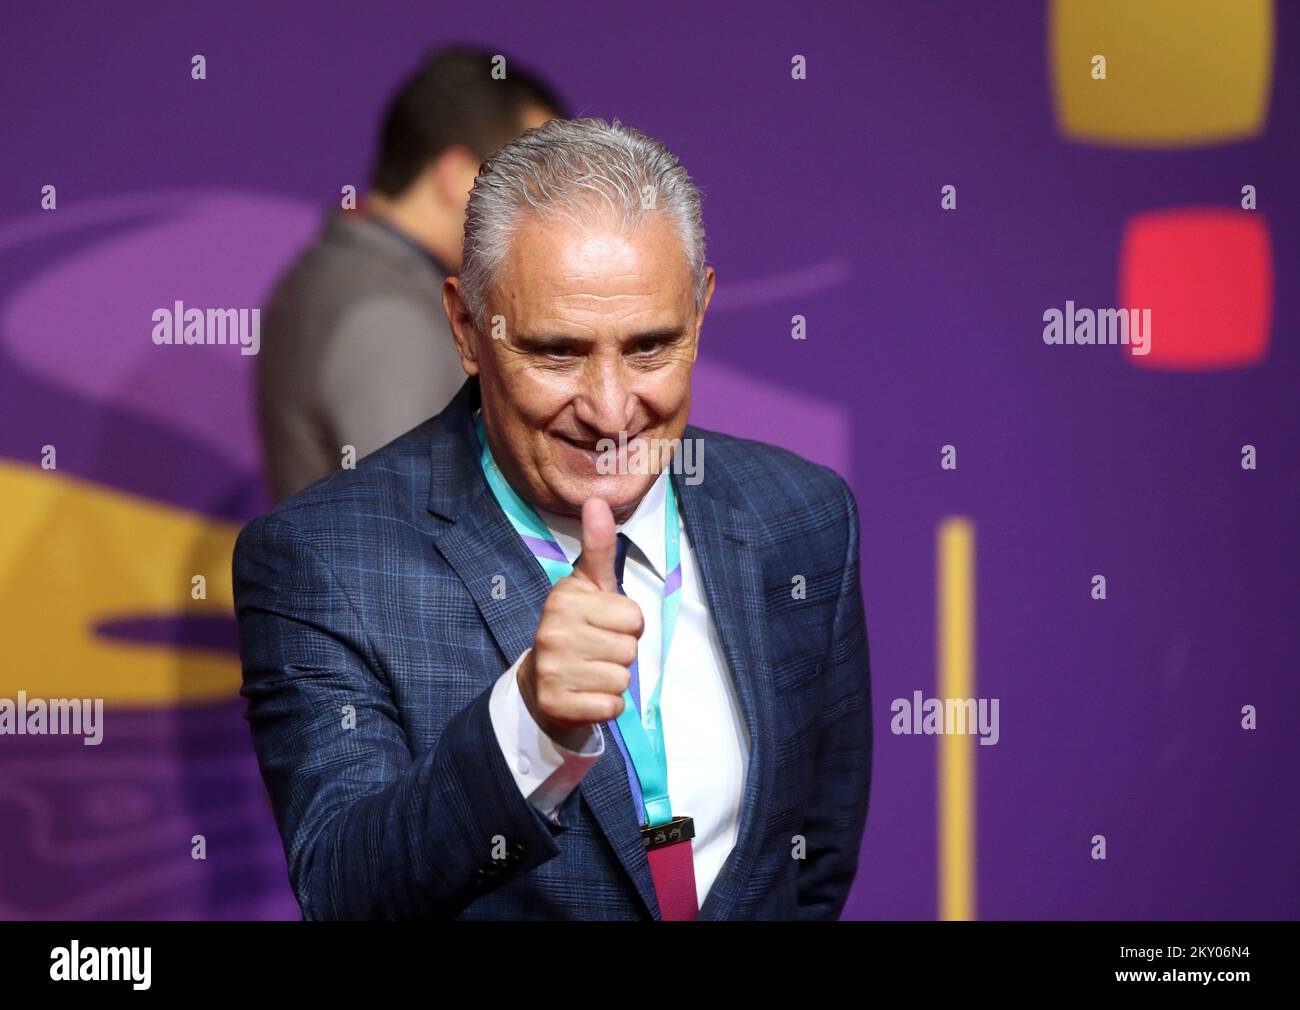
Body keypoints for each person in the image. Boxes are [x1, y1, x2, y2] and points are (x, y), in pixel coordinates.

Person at [233, 117, 872, 920]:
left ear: (702, 311)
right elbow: (345, 892)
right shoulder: (322, 559)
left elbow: (811, 862)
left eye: (650, 348)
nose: (609, 413)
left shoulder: (803, 519)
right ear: (468, 330)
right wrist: (529, 723)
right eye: (557, 353)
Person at [256, 47, 564, 502]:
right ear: (461, 177)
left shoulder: (340, 275)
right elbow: (419, 526)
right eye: (535, 187)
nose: (549, 216)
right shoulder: (384, 314)